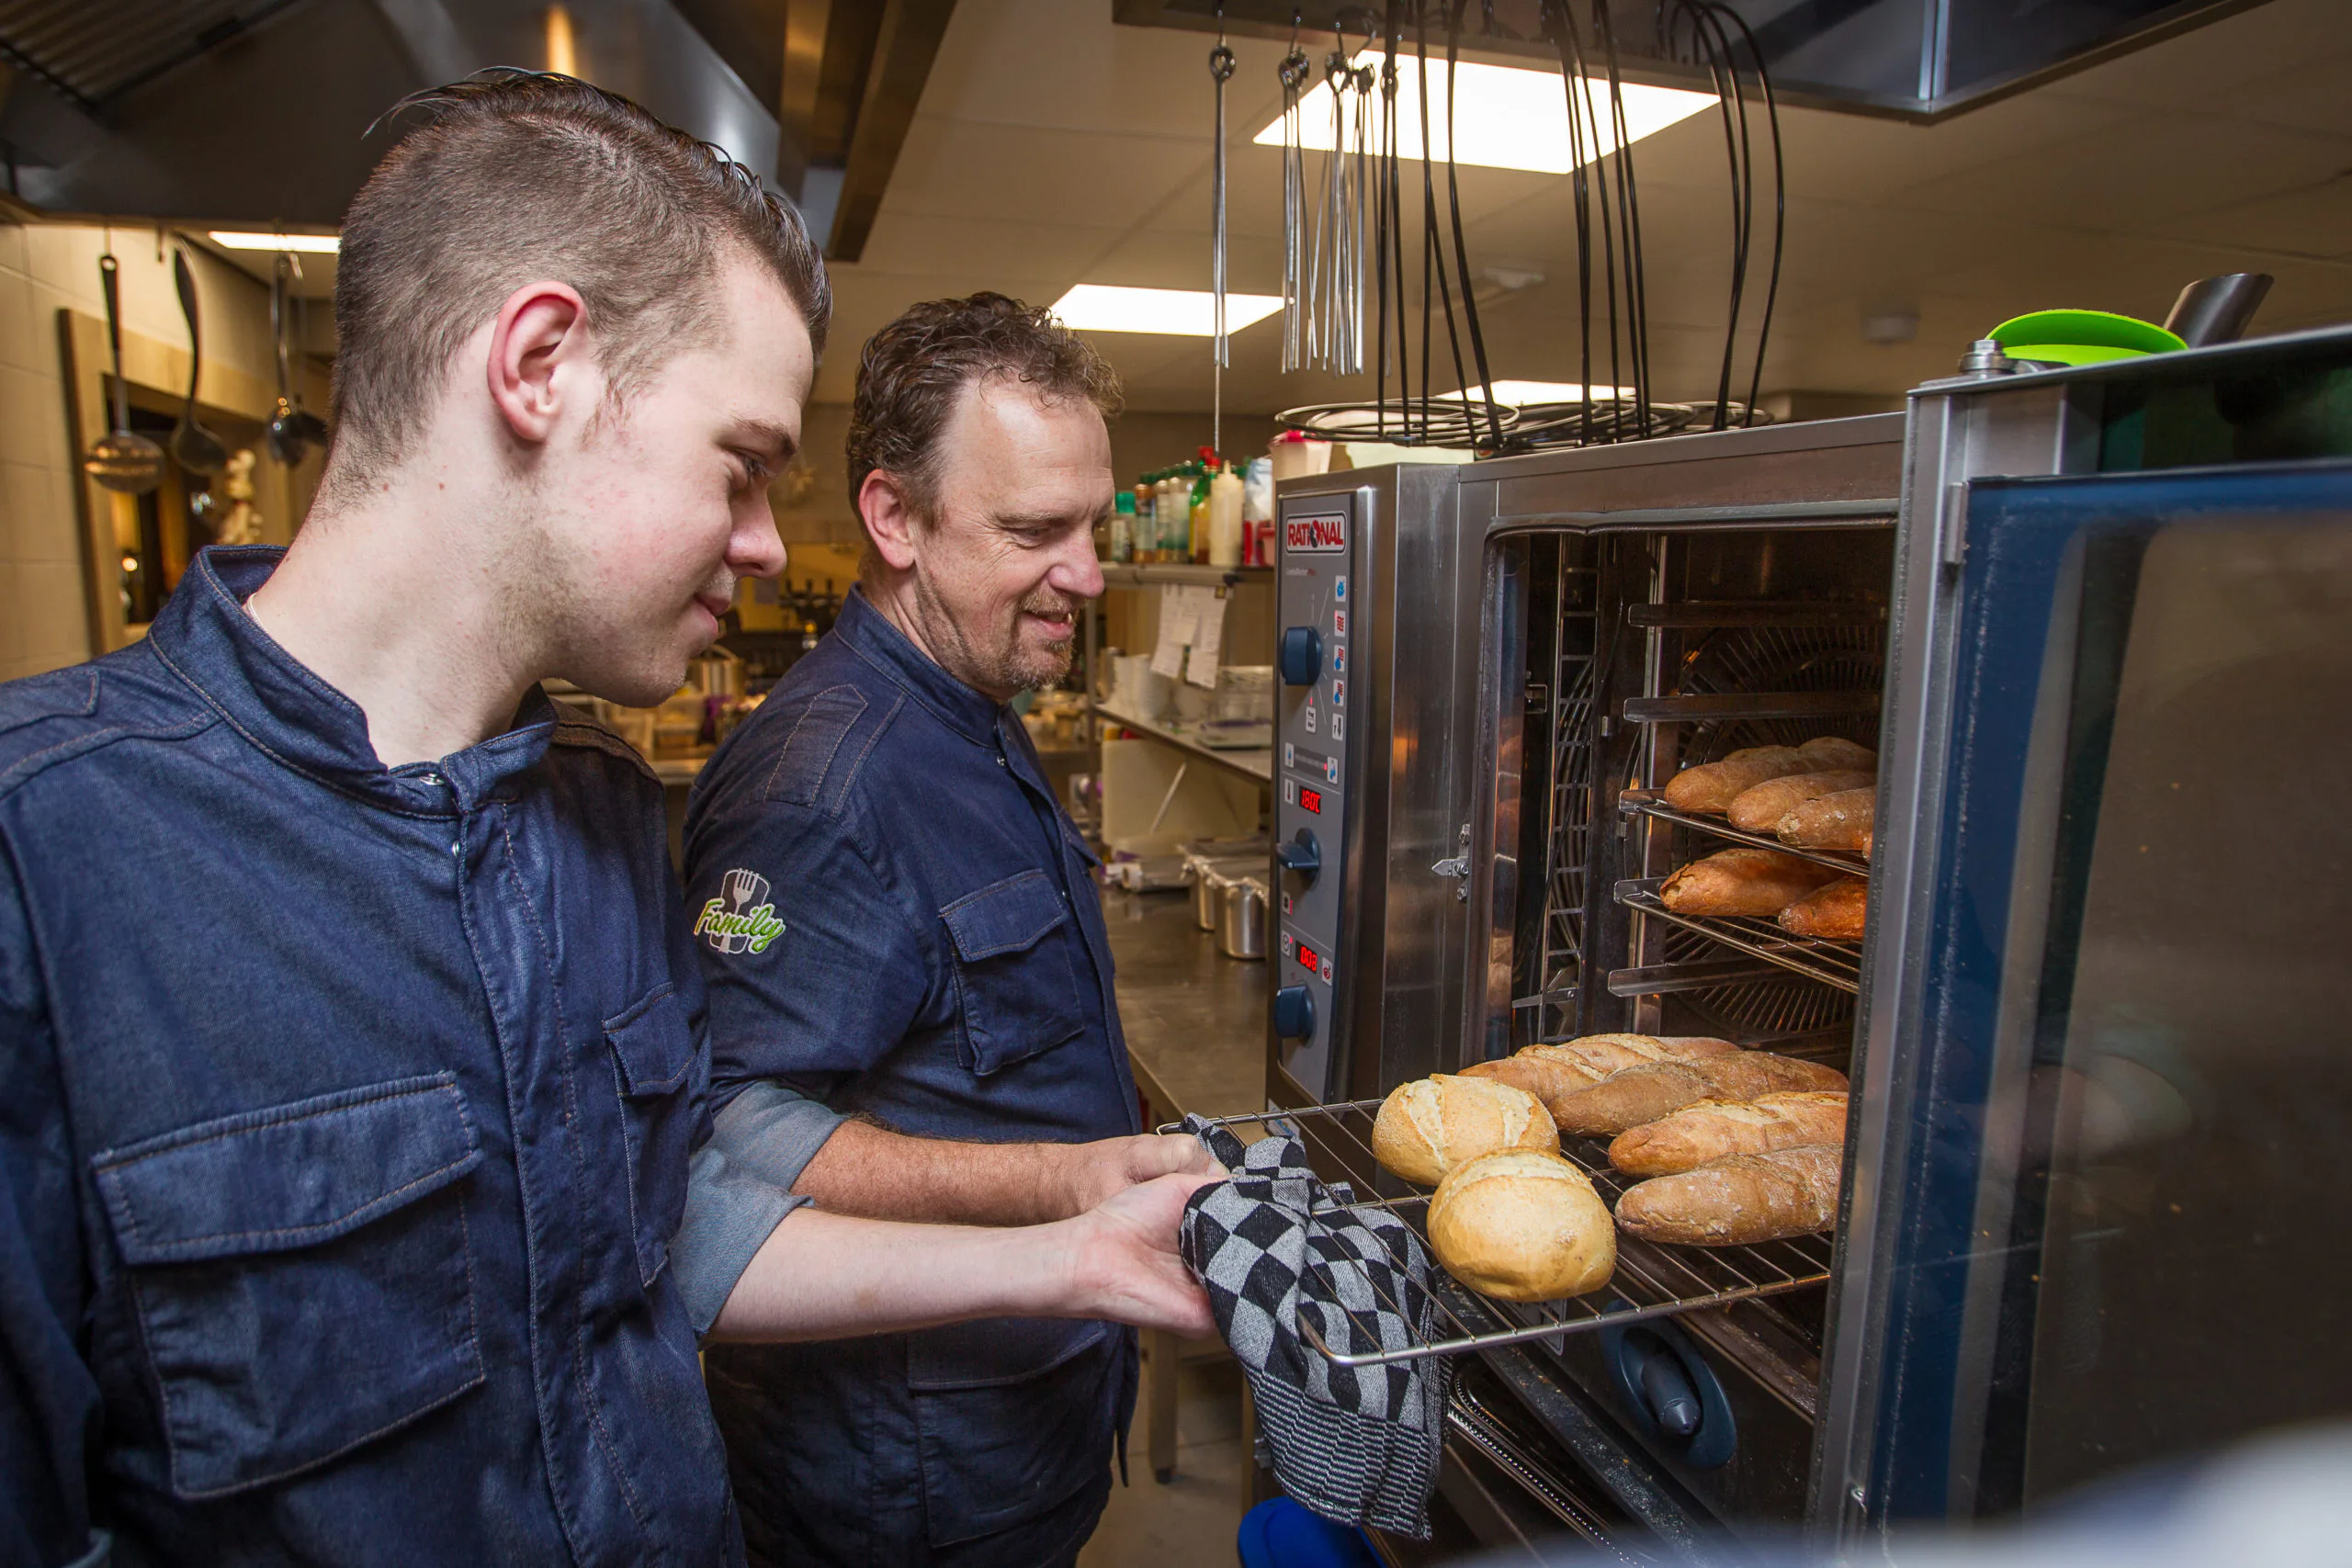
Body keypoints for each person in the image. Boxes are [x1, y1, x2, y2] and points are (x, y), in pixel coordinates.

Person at [0, 76, 1213, 1568]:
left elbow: (668, 1238)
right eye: (744, 464)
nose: (772, 544)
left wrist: (1075, 1249)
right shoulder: (45, 856)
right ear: (542, 367)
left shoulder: (598, 824)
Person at [681, 293, 1212, 1566]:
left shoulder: (973, 701)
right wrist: (1065, 1182)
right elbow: (729, 1128)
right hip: (903, 1470)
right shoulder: (818, 784)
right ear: (894, 519)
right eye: (1036, 529)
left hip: (1033, 1412)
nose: (1086, 572)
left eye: (1088, 522)